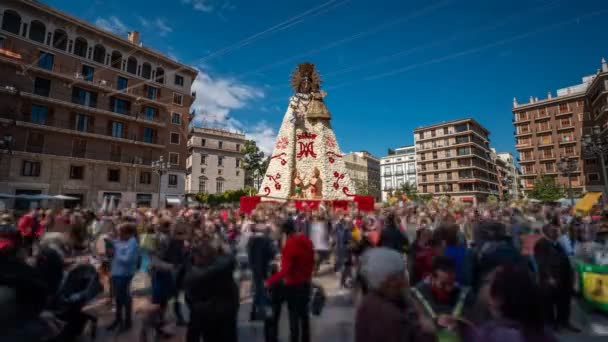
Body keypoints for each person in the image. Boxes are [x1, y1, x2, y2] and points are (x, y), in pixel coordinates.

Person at [355, 247, 435, 342]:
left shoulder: (369, 301)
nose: (404, 279)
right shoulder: (392, 317)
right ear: (390, 281)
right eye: (401, 274)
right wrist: (428, 330)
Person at [474, 265, 558, 342]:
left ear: (498, 298)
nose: (482, 287)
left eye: (487, 282)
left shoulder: (490, 335)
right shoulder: (544, 333)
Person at [265, 218, 314, 342]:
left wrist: (269, 281)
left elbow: (284, 271)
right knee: (304, 317)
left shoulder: (290, 245)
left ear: (285, 231)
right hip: (306, 282)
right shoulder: (306, 240)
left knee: (293, 318)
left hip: (293, 285)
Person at [185, 239, 239, 342]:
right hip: (226, 317)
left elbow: (192, 304)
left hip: (207, 319)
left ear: (200, 258)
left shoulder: (194, 276)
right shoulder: (225, 270)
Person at [412, 256, 473, 341]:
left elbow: (475, 324)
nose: (448, 288)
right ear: (432, 277)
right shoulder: (416, 294)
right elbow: (411, 326)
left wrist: (459, 323)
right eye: (443, 285)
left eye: (451, 284)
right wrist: (435, 322)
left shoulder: (464, 294)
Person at [534, 222, 580, 332]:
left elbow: (566, 258)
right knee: (549, 303)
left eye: (556, 230)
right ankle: (551, 324)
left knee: (564, 301)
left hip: (564, 276)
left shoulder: (558, 243)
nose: (556, 232)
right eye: (552, 230)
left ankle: (563, 321)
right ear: (546, 232)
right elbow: (542, 262)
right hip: (551, 278)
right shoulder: (541, 244)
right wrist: (549, 277)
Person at [107, 223, 139, 333]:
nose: (118, 234)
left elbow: (127, 260)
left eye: (121, 232)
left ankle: (127, 321)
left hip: (124, 274)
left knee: (124, 298)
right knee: (118, 297)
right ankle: (118, 319)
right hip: (116, 273)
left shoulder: (133, 243)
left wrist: (115, 251)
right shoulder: (122, 240)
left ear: (128, 233)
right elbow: (115, 243)